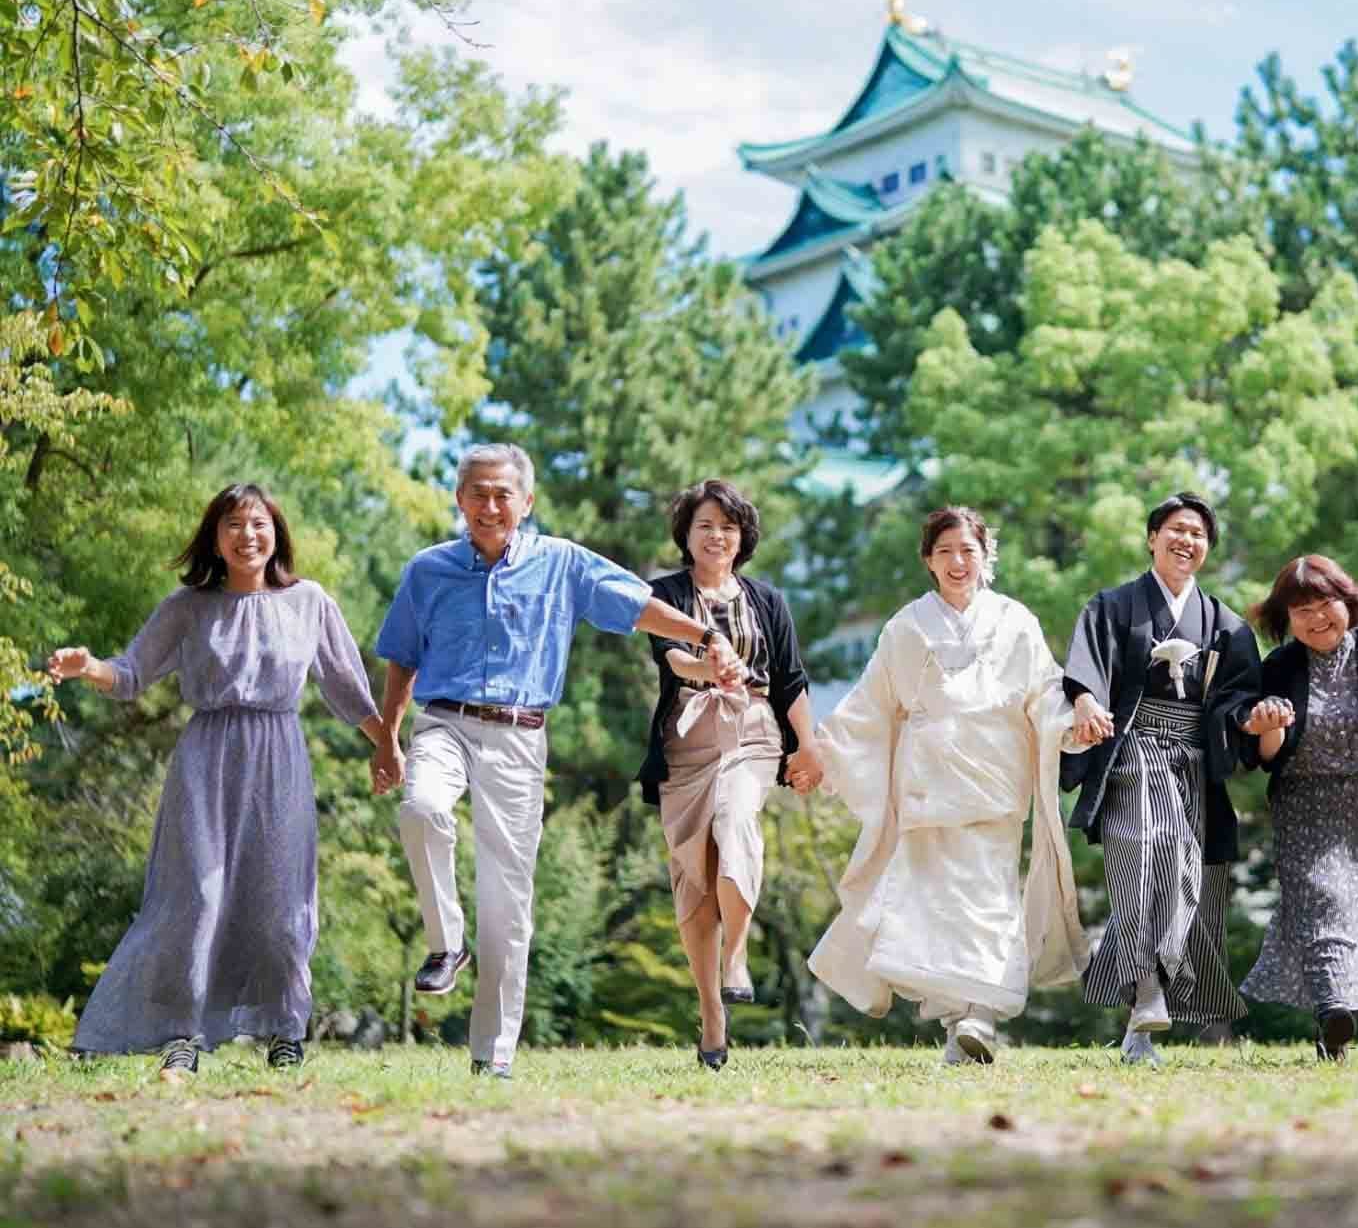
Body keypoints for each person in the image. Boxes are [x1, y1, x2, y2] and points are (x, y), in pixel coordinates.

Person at [372, 444, 744, 1079]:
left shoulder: (561, 563)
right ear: (460, 499)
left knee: (507, 896)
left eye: (503, 495)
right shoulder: (427, 570)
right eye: (477, 494)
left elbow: (636, 604)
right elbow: (402, 659)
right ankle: (446, 942)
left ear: (527, 502)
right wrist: (388, 740)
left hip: (519, 738)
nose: (490, 506)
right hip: (444, 723)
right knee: (423, 808)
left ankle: (494, 1055)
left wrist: (705, 635)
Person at [47, 483, 387, 1079]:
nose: (247, 535)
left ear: (276, 532)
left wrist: (388, 745)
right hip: (206, 761)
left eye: (258, 523)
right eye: (233, 524)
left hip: (279, 758)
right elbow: (129, 675)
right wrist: (88, 668)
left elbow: (347, 689)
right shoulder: (188, 606)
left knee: (281, 905)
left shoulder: (309, 602)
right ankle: (183, 1033)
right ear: (215, 538)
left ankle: (285, 1031)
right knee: (196, 899)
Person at [805, 508, 1086, 1066]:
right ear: (928, 561)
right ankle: (962, 1023)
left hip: (995, 781)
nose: (958, 562)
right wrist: (820, 755)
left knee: (988, 901)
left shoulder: (1015, 622)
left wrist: (1073, 719)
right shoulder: (906, 627)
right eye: (945, 552)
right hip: (927, 784)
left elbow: (1045, 693)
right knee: (933, 909)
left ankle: (980, 1015)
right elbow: (869, 706)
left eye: (968, 550)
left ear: (987, 556)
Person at [1061, 491, 1262, 1064]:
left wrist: (1251, 716)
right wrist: (1084, 704)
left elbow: (1239, 698)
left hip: (1191, 762)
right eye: (1175, 529)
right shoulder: (1113, 605)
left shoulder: (1224, 623)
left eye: (1198, 534)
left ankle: (1140, 1026)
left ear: (1207, 549)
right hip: (1132, 750)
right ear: (1152, 538)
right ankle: (1147, 984)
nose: (1186, 541)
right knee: (1144, 847)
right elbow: (1085, 672)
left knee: (1184, 871)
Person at [637, 479, 823, 1071]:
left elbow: (791, 679)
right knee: (695, 878)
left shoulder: (767, 601)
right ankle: (712, 1010)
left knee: (736, 817)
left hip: (752, 731)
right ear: (686, 536)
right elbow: (672, 656)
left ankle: (736, 955)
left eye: (728, 527)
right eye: (705, 526)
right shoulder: (664, 594)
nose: (717, 536)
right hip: (687, 740)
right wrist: (707, 662)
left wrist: (810, 747)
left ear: (742, 538)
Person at [1237, 556, 1358, 1060]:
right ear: (1286, 619)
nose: (1315, 617)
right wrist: (1268, 727)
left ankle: (1332, 1020)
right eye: (1300, 609)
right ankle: (1332, 1010)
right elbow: (1265, 756)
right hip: (1305, 804)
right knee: (1323, 905)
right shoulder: (1278, 668)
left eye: (1324, 603)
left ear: (1347, 601)